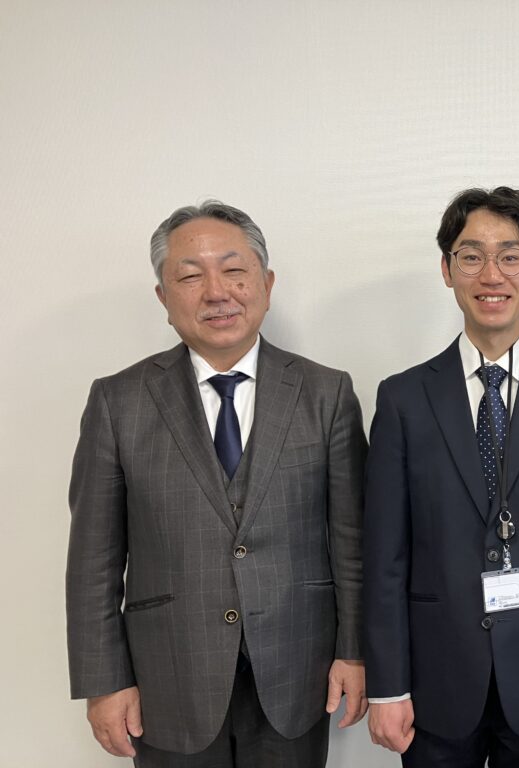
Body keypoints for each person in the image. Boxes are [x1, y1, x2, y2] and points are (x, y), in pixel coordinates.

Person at [66, 200, 368, 766]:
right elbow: (93, 560)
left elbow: (353, 543)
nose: (216, 292)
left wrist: (355, 651)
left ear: (266, 284)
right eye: (189, 277)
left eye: (234, 271)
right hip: (168, 679)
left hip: (297, 672)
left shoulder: (326, 393)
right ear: (163, 297)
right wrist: (103, 681)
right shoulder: (118, 401)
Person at [363, 187, 519, 766]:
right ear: (446, 269)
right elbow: (384, 556)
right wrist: (387, 685)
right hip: (434, 682)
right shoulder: (403, 399)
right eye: (471, 256)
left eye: (510, 256)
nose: (491, 275)